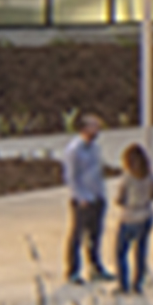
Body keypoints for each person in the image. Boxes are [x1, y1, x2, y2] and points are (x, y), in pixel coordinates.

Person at [56, 113, 107, 284]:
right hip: (83, 199)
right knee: (77, 235)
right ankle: (72, 271)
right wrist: (81, 196)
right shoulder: (74, 150)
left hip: (97, 196)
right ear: (84, 129)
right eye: (94, 126)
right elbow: (71, 177)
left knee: (95, 235)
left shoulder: (95, 148)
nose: (97, 129)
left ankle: (95, 266)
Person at [109, 143, 153, 294]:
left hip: (129, 217)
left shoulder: (127, 178)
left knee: (120, 252)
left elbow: (119, 199)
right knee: (140, 252)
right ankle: (137, 283)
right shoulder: (150, 176)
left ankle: (122, 284)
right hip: (146, 215)